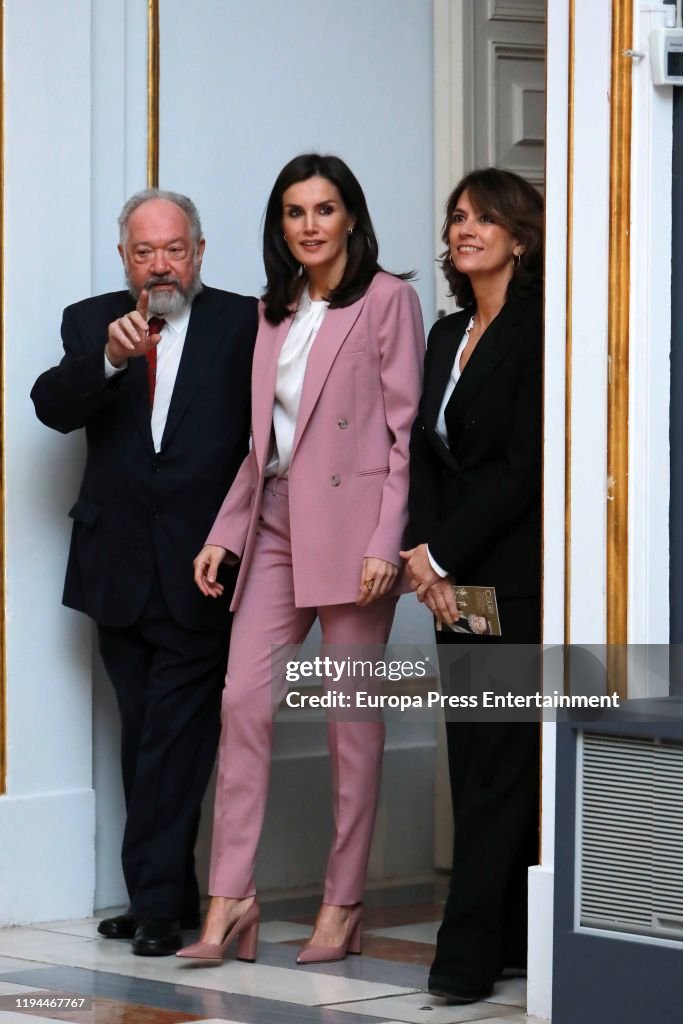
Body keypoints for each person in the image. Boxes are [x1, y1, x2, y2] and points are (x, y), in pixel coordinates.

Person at [176, 153, 424, 965]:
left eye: (324, 209)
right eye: (294, 212)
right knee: (242, 700)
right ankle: (231, 897)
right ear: (279, 225)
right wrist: (226, 530)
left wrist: (386, 542)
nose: (310, 225)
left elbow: (403, 435)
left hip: (355, 536)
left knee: (351, 725)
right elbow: (264, 445)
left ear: (351, 215)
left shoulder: (389, 300)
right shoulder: (273, 311)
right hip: (277, 523)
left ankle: (341, 903)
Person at [31, 189, 257, 956]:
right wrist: (107, 358)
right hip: (116, 564)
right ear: (123, 257)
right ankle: (166, 889)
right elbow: (52, 407)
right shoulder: (90, 319)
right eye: (143, 251)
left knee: (176, 738)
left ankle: (157, 903)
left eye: (174, 249)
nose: (160, 264)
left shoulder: (244, 324)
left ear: (198, 250)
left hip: (204, 565)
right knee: (142, 737)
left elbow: (266, 440)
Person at [401, 167, 543, 1004]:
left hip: (506, 578)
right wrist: (421, 555)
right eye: (457, 217)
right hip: (448, 580)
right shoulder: (445, 331)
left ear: (517, 240)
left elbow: (522, 468)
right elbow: (426, 448)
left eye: (484, 219)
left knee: (496, 764)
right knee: (474, 756)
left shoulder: (536, 330)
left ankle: (464, 956)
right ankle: (508, 941)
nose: (465, 230)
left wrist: (442, 555)